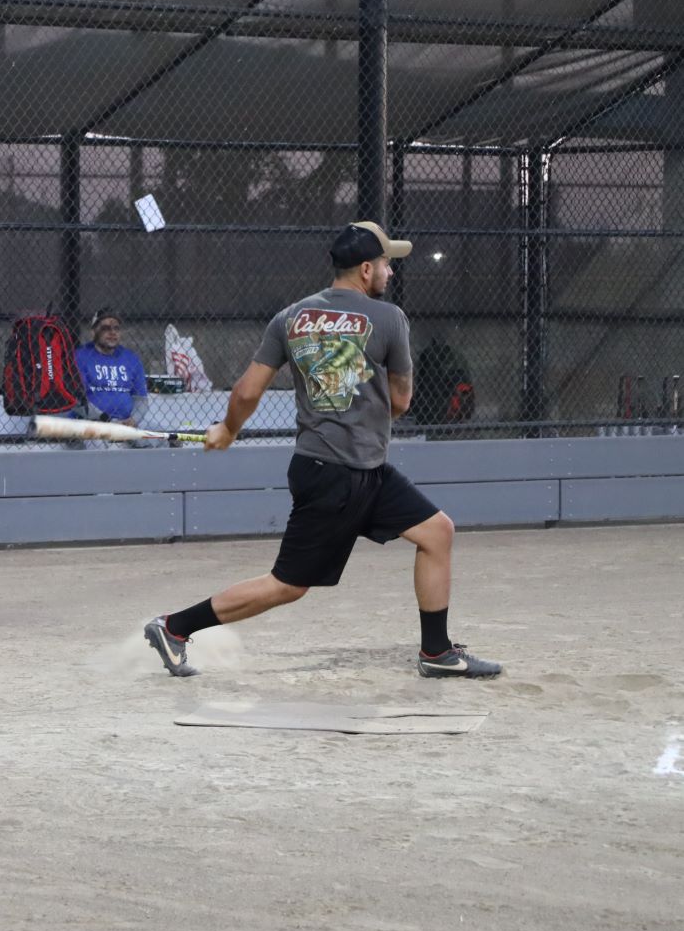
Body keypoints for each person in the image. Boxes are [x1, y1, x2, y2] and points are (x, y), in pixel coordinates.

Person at [143, 221, 501, 680]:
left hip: (353, 468)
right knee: (287, 586)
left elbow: (248, 391)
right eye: (387, 264)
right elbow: (401, 402)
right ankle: (175, 627)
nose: (390, 273)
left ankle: (436, 652)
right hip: (339, 475)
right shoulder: (389, 318)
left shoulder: (289, 317)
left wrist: (228, 430)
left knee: (437, 532)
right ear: (367, 269)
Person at [74, 308, 148, 424]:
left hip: (129, 422)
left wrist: (133, 420)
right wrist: (109, 421)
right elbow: (77, 401)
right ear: (93, 332)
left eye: (116, 328)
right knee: (99, 443)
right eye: (106, 328)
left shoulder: (131, 358)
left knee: (160, 440)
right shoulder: (80, 357)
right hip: (94, 423)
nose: (112, 332)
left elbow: (141, 399)